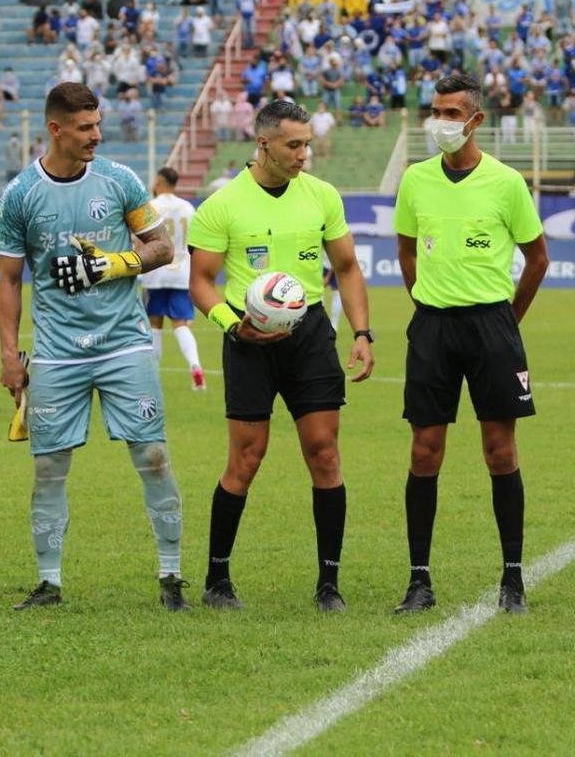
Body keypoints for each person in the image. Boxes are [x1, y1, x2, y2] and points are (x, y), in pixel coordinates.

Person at [0, 82, 190, 612]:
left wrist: (109, 264)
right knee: (48, 467)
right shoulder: (20, 194)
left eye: (98, 125)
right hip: (58, 353)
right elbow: (9, 282)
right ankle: (49, 583)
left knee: (152, 456)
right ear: (55, 129)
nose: (96, 136)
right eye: (84, 128)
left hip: (125, 344)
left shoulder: (120, 180)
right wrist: (11, 357)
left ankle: (171, 578)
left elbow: (161, 248)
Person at [187, 100, 374, 612]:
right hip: (248, 337)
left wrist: (362, 332)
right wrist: (233, 326)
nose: (303, 154)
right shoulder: (223, 204)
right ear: (263, 142)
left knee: (324, 453)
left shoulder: (322, 196)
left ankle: (329, 585)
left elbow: (349, 267)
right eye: (294, 145)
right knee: (246, 459)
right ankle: (217, 580)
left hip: (310, 333)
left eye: (307, 144)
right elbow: (200, 283)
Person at [392, 74, 549, 615]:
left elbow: (538, 259)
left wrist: (508, 320)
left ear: (476, 120)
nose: (443, 122)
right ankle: (419, 581)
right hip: (433, 326)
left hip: (491, 328)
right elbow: (406, 252)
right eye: (436, 111)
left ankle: (512, 580)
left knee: (499, 450)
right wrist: (425, 304)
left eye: (453, 113)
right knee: (424, 450)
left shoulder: (506, 183)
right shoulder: (415, 180)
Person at [140, 167, 206, 390]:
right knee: (181, 324)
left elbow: (141, 240)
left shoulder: (152, 207)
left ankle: (153, 375)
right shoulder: (188, 207)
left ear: (159, 181)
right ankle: (195, 365)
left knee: (154, 324)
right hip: (181, 272)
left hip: (155, 272)